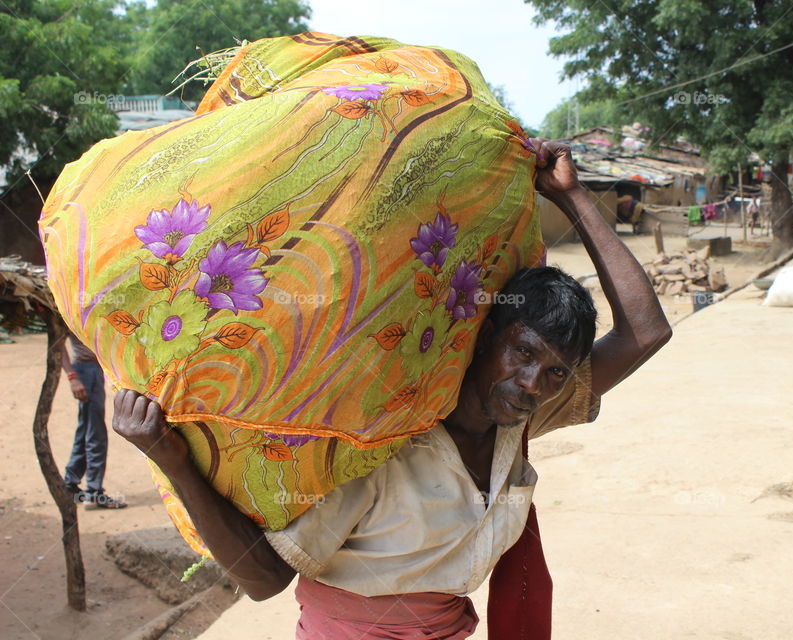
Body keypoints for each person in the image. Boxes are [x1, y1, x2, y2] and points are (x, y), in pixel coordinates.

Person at [111, 139, 672, 637]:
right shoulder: (379, 440)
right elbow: (264, 580)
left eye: (556, 372)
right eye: (522, 353)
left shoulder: (518, 422)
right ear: (485, 336)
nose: (532, 383)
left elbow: (645, 333)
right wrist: (172, 459)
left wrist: (572, 197)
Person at [61, 331, 127, 509]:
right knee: (96, 434)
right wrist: (72, 377)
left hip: (94, 370)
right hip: (85, 370)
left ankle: (70, 483)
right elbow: (57, 346)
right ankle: (94, 492)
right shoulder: (66, 314)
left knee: (86, 429)